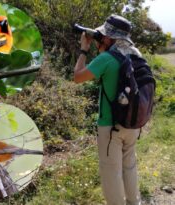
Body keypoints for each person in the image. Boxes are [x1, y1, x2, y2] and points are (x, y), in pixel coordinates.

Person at [73, 15, 142, 205]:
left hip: (110, 127)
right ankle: (134, 202)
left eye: (102, 36)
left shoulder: (106, 58)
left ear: (108, 37)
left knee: (111, 173)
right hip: (134, 123)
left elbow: (78, 77)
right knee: (129, 167)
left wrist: (84, 49)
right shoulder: (136, 54)